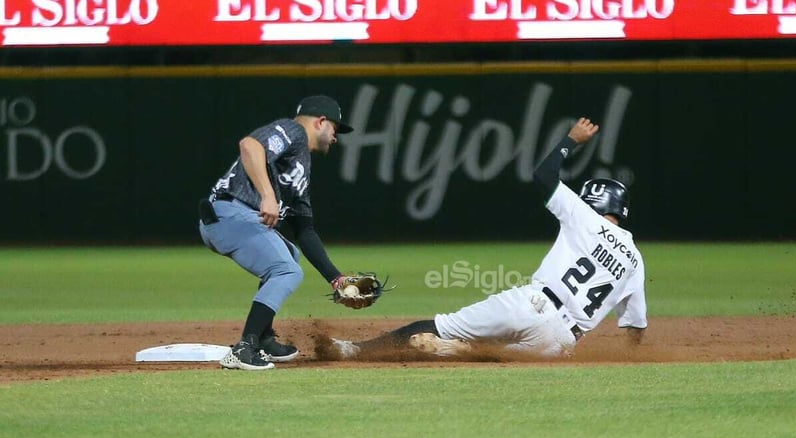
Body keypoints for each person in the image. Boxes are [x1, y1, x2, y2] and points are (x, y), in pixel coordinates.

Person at [323, 117, 647, 361]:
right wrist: (629, 358)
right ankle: (460, 350)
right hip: (560, 343)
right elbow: (635, 327)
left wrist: (570, 140)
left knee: (439, 325)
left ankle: (353, 350)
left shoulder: (584, 215)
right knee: (492, 356)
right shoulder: (634, 260)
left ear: (591, 201)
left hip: (532, 305)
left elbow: (544, 176)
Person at [199, 94, 359, 371]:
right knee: (287, 271)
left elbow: (304, 230)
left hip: (237, 218)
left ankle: (263, 339)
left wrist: (337, 280)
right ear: (320, 122)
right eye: (335, 128)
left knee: (290, 255)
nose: (336, 137)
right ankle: (245, 347)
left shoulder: (301, 170)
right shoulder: (293, 130)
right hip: (228, 213)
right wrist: (267, 195)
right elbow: (249, 145)